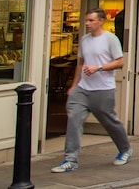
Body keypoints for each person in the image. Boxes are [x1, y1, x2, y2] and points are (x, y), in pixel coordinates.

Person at [51, 9, 133, 173]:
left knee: (110, 122)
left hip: (103, 89)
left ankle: (125, 149)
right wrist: (74, 85)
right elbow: (80, 63)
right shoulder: (84, 39)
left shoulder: (110, 39)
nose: (87, 23)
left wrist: (99, 67)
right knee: (74, 120)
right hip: (83, 89)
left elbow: (120, 62)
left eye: (91, 20)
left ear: (101, 21)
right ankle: (70, 160)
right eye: (86, 20)